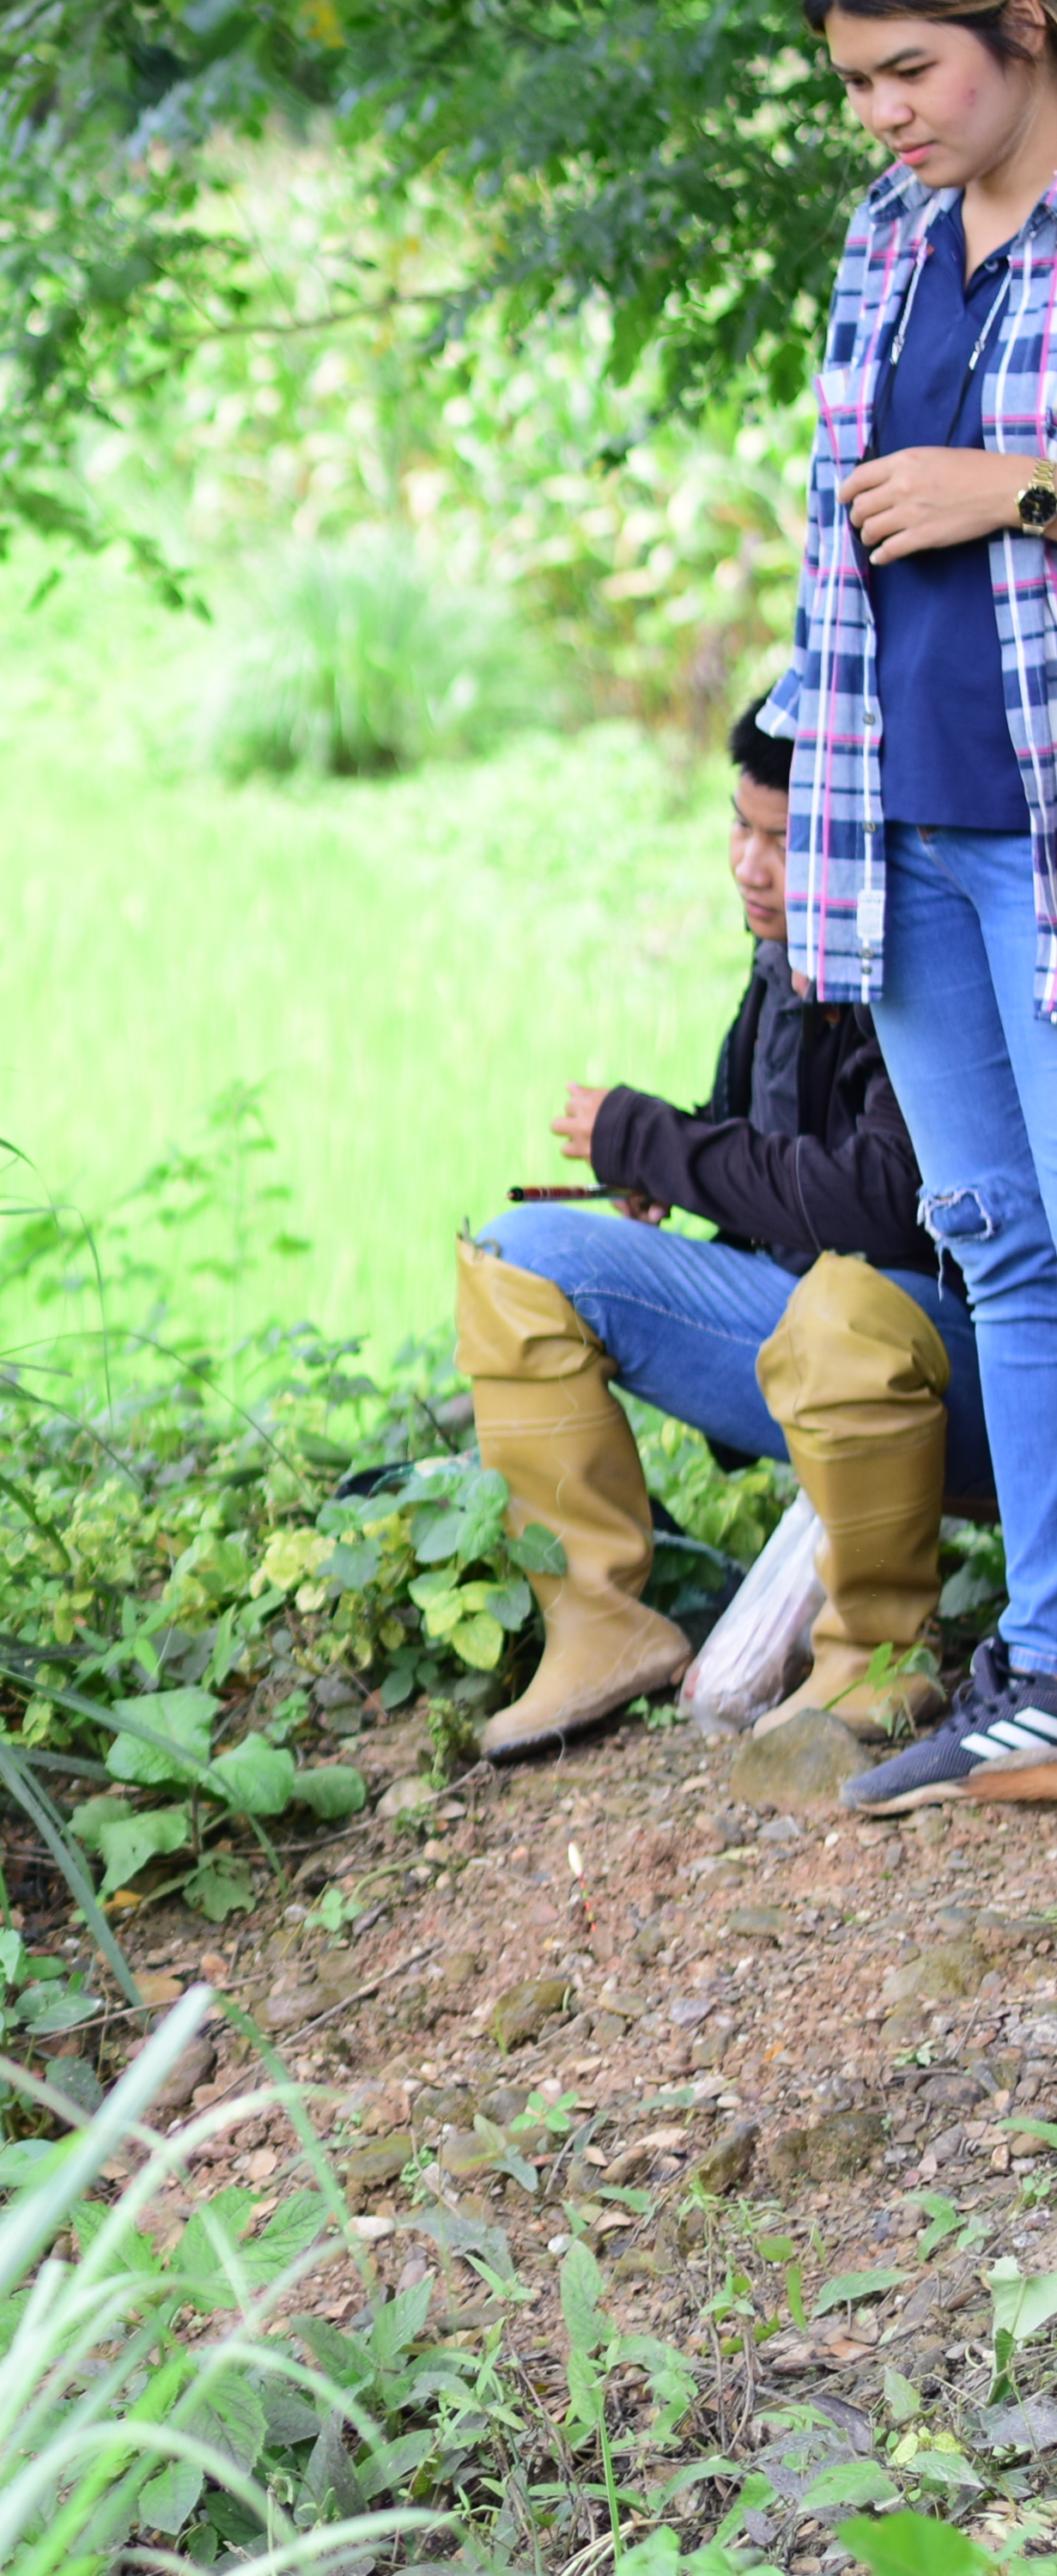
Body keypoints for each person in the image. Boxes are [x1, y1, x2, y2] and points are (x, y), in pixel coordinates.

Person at [462, 702, 986, 1765]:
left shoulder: (929, 955)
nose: (749, 866)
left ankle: (877, 1656)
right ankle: (598, 1628)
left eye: (782, 840)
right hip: (823, 1357)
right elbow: (767, 1142)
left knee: (845, 1302)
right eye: (739, 828)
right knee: (518, 1261)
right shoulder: (784, 961)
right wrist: (662, 1158)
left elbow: (889, 1196)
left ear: (856, 841)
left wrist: (656, 1144)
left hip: (969, 1376)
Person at [768, 0, 1057, 1808]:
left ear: (1026, 24)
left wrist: (1018, 491)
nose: (881, 113)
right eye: (854, 81)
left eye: (909, 71)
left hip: (1044, 829)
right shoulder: (886, 239)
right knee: (1003, 1247)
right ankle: (1047, 1670)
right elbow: (829, 547)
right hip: (907, 826)